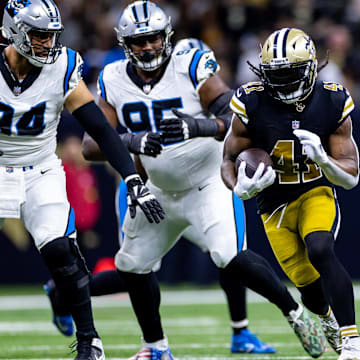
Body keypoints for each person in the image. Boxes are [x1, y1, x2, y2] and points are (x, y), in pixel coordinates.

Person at [82, 2, 329, 359]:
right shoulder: (113, 77)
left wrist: (196, 125)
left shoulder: (189, 62)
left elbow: (236, 115)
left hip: (206, 182)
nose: (148, 47)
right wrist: (131, 140)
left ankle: (295, 312)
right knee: (131, 265)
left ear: (166, 36)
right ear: (125, 44)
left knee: (228, 254)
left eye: (153, 38)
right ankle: (156, 348)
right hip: (157, 189)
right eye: (138, 41)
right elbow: (91, 144)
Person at [45, 37, 277, 354]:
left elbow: (230, 120)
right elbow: (101, 143)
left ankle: (241, 332)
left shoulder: (197, 84)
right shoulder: (135, 84)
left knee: (230, 255)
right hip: (146, 190)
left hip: (198, 188)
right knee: (137, 272)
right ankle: (64, 292)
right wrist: (137, 147)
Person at [0, 1, 164, 359]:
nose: (47, 43)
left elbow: (101, 130)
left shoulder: (62, 66)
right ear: (13, 31)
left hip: (38, 168)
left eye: (51, 35)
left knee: (60, 250)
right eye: (38, 35)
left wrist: (132, 178)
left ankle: (90, 341)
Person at [221, 27, 360, 360]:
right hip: (273, 203)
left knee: (321, 248)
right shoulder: (250, 100)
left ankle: (353, 341)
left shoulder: (332, 98)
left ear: (311, 67)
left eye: (290, 73)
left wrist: (326, 162)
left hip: (315, 189)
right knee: (308, 289)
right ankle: (325, 319)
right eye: (275, 74)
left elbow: (351, 176)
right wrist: (239, 187)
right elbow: (227, 158)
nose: (282, 82)